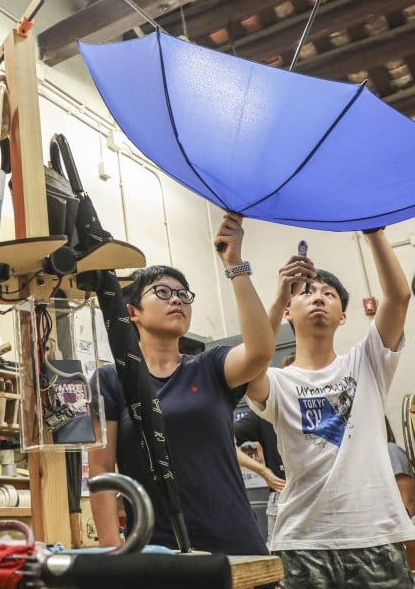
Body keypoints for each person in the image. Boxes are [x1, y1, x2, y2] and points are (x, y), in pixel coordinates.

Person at [88, 212, 274, 555]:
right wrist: (111, 554)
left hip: (235, 542)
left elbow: (261, 351)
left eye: (183, 294)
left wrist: (235, 265)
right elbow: (102, 471)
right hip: (158, 549)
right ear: (133, 312)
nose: (176, 299)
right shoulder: (111, 380)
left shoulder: (210, 366)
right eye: (162, 292)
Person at [246, 229, 415, 588]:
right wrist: (278, 298)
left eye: (330, 293)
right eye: (308, 292)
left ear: (342, 316)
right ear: (290, 312)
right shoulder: (277, 381)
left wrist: (373, 232)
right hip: (302, 540)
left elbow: (399, 297)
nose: (319, 297)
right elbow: (250, 361)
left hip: (375, 535)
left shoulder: (367, 362)